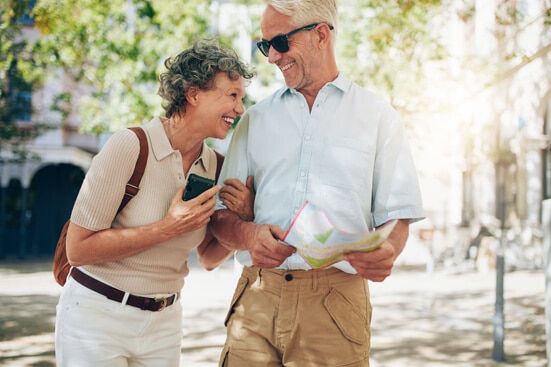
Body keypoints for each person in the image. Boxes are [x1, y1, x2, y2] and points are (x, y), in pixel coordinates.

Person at [209, 1, 426, 366]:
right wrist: (247, 235)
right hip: (256, 298)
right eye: (265, 46)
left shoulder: (379, 118)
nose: (272, 57)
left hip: (335, 306)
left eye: (278, 42)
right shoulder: (254, 121)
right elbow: (219, 219)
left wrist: (389, 250)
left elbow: (397, 217)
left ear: (321, 35)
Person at [54, 39, 255, 367]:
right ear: (193, 93)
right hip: (96, 318)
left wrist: (245, 218)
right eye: (232, 96)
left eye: (241, 98)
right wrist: (166, 228)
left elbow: (207, 256)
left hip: (164, 322)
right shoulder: (130, 146)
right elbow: (78, 249)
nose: (240, 109)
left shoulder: (215, 166)